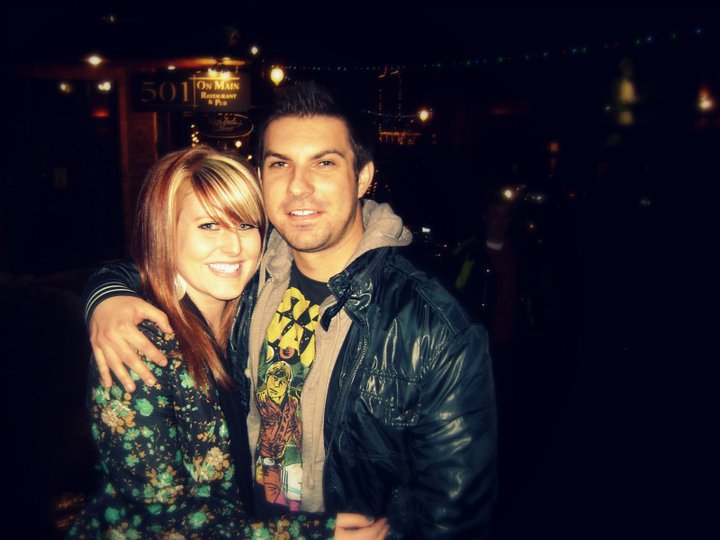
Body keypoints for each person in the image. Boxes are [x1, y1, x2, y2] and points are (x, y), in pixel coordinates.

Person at [83, 82, 497, 538]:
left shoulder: (435, 327)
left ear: (362, 177)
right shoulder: (255, 271)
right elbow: (167, 260)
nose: (299, 186)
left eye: (324, 162)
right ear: (262, 177)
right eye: (280, 163)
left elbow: (453, 510)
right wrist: (107, 295)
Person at [70, 146, 387, 539]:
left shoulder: (255, 309)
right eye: (208, 226)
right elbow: (163, 522)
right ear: (164, 233)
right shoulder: (138, 348)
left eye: (245, 225)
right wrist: (310, 534)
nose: (234, 247)